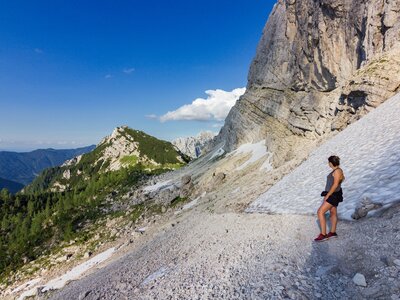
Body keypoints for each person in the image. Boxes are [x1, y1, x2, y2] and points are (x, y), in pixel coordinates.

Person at [314, 155, 345, 242]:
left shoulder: (337, 171)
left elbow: (335, 185)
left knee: (320, 212)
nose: (328, 164)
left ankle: (323, 234)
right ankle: (332, 232)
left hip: (333, 195)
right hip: (334, 194)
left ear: (331, 163)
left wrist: (328, 195)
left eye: (329, 162)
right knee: (333, 212)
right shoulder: (337, 170)